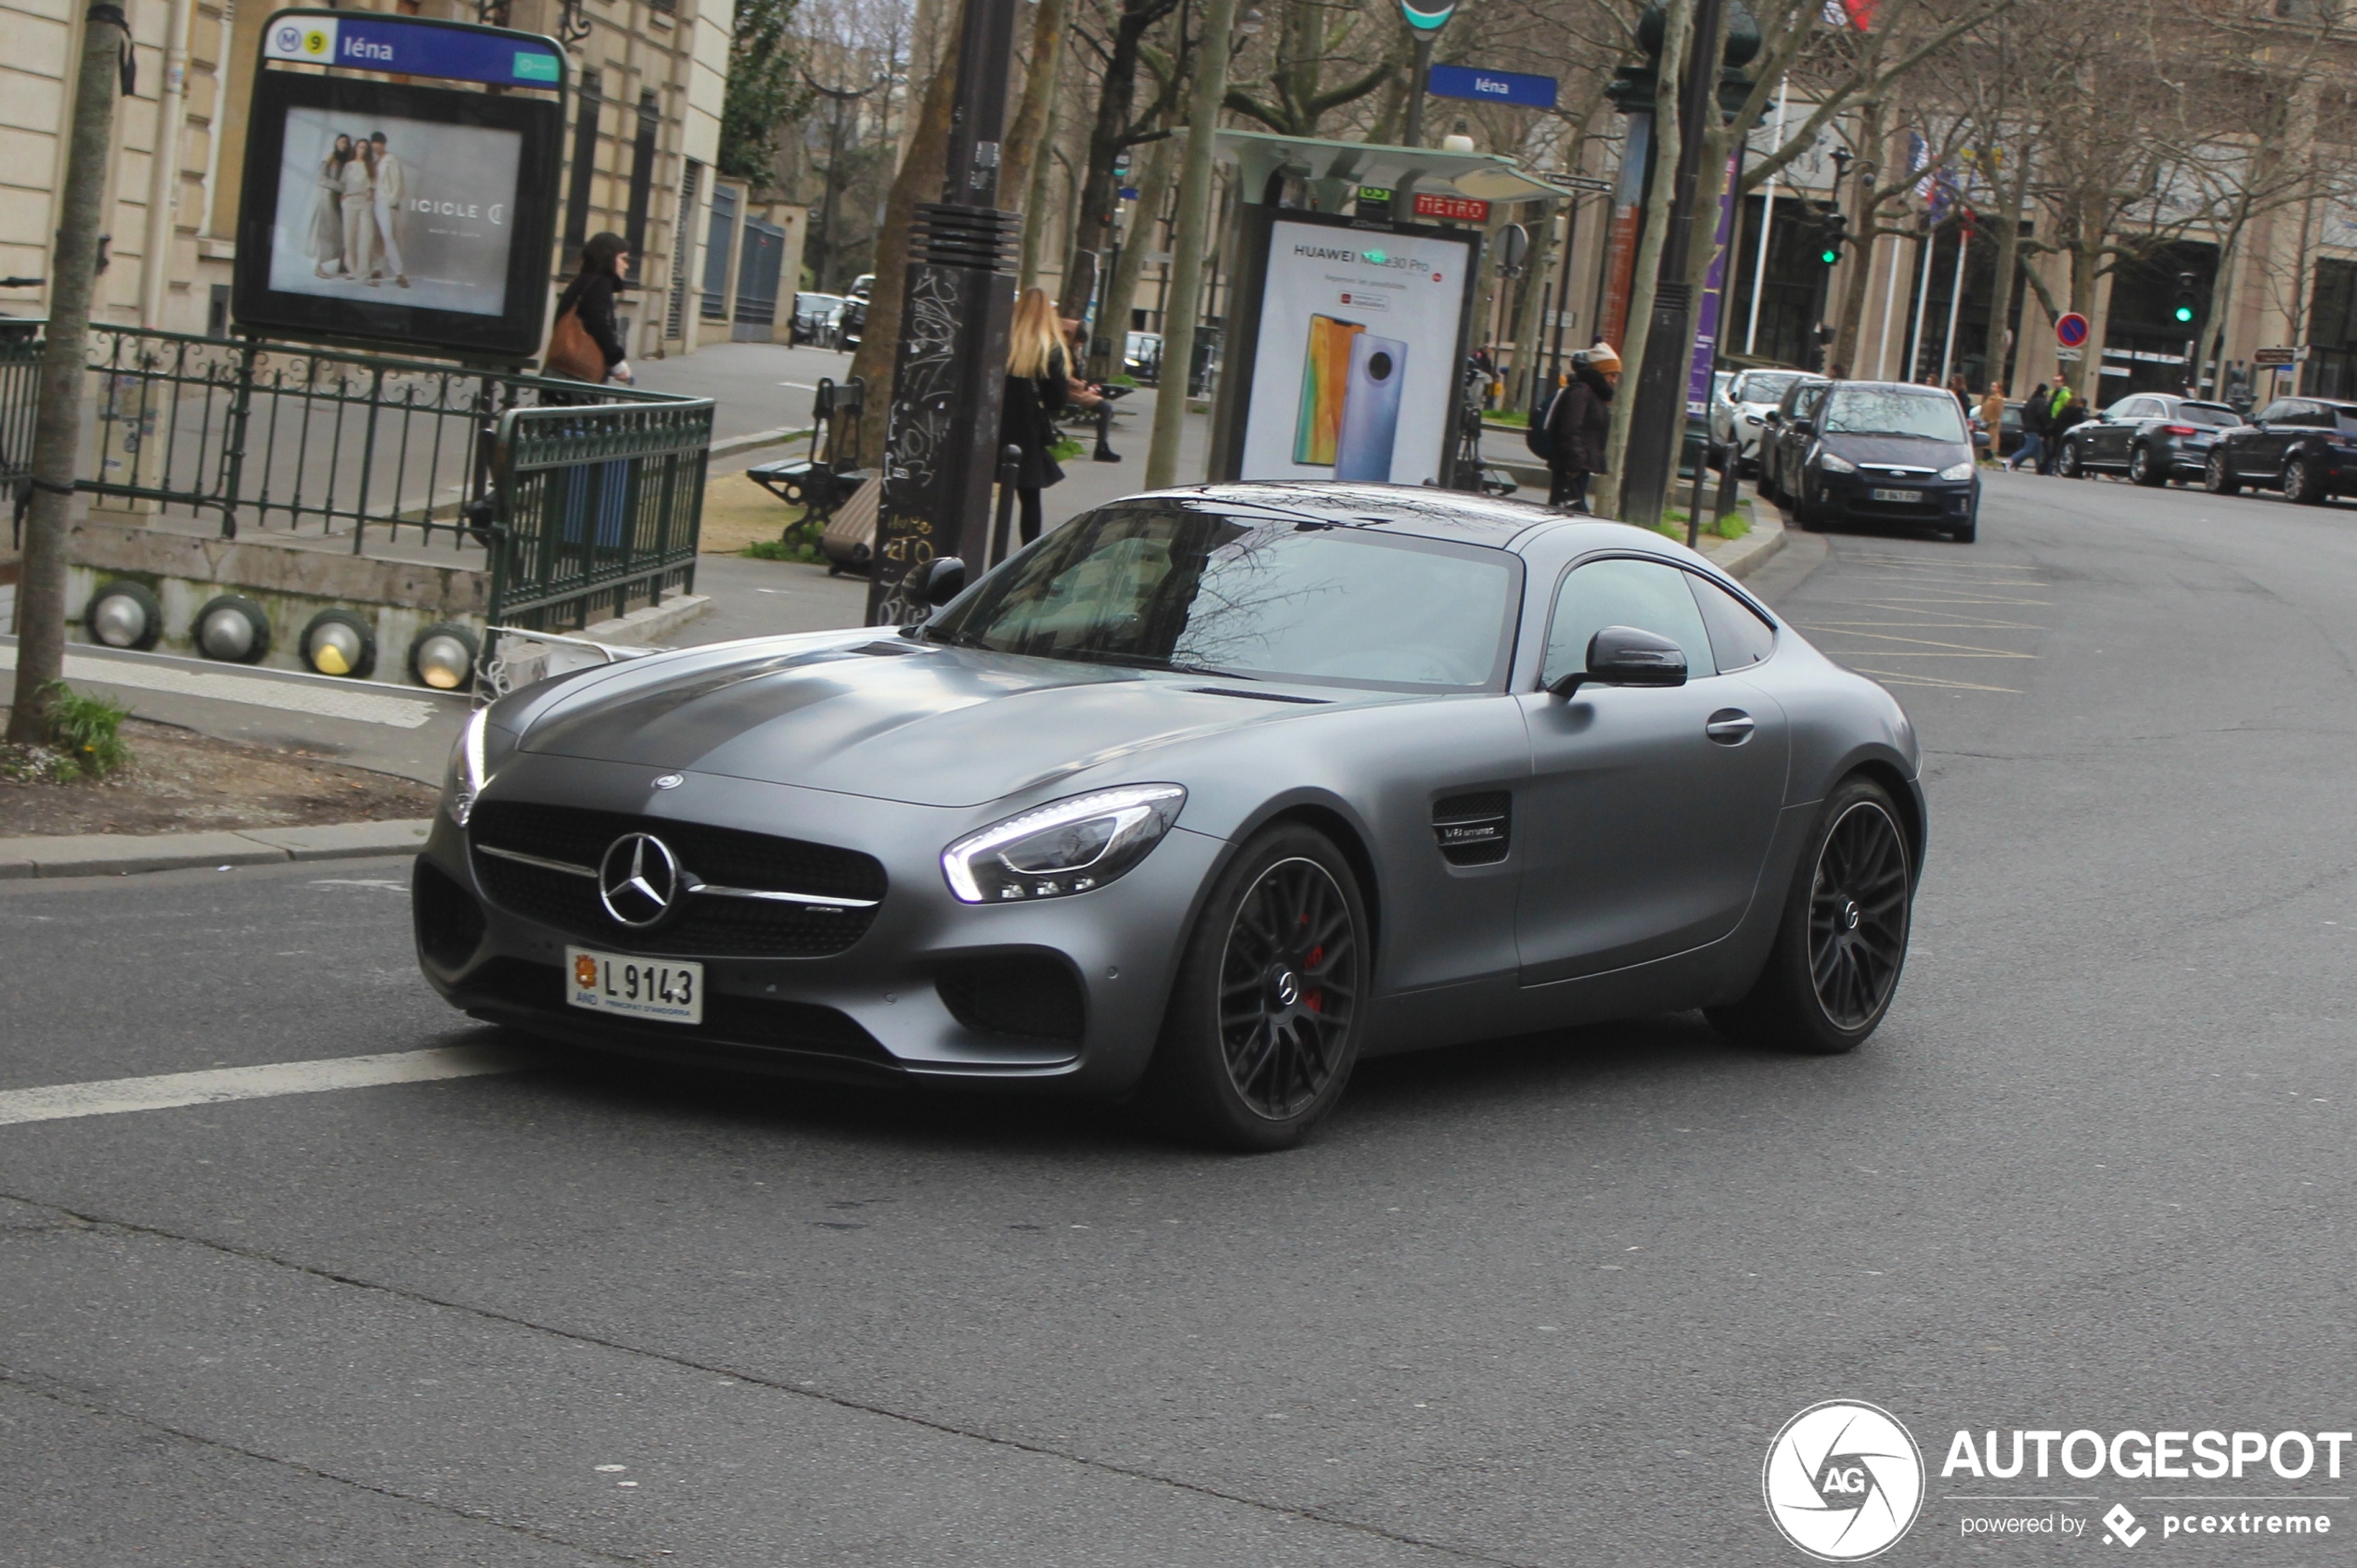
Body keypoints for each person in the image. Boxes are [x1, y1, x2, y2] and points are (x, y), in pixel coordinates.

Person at [1001, 288, 1069, 546]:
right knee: (1030, 496)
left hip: (996, 424)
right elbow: (1057, 399)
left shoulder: (1003, 340)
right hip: (1027, 428)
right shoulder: (1050, 348)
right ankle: (1027, 552)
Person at [550, 232, 635, 387]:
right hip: (577, 377)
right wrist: (616, 362)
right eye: (623, 259)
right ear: (609, 258)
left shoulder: (583, 281)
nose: (626, 265)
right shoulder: (599, 284)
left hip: (561, 370)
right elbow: (599, 324)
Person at [1543, 342, 1618, 511]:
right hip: (1572, 466)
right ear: (1601, 372)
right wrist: (1575, 460)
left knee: (1569, 509)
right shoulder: (1581, 392)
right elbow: (1570, 428)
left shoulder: (1592, 394)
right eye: (1612, 374)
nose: (1615, 380)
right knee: (1570, 510)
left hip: (1578, 464)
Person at [1058, 316, 1121, 462]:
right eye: (1078, 342)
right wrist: (1080, 385)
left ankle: (1102, 445)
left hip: (1073, 389)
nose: (1079, 345)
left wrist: (1085, 385)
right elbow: (1063, 375)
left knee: (1105, 408)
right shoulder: (1062, 351)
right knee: (1105, 408)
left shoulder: (1069, 350)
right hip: (1068, 390)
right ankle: (1101, 446)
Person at [367, 131, 408, 289]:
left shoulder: (391, 160)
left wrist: (393, 201)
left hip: (385, 202)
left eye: (378, 143)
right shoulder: (376, 162)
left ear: (383, 144)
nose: (375, 146)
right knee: (377, 236)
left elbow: (397, 182)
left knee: (388, 236)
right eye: (373, 144)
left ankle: (399, 272)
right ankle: (377, 268)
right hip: (374, 202)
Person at [310, 135, 354, 277]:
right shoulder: (329, 160)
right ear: (336, 143)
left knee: (343, 232)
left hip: (340, 202)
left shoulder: (346, 162)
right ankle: (317, 266)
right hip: (327, 201)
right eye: (341, 142)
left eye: (346, 143)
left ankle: (342, 263)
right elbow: (321, 179)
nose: (343, 145)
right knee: (323, 234)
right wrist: (340, 187)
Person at [339, 138, 376, 283]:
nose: (362, 150)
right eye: (360, 147)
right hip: (350, 201)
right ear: (356, 148)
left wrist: (371, 198)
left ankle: (364, 273)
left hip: (364, 202)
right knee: (350, 237)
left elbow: (374, 186)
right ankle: (352, 270)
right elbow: (343, 184)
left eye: (365, 148)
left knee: (366, 237)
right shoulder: (349, 166)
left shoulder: (370, 166)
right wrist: (343, 197)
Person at [2013, 380, 2049, 472]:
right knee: (2028, 449)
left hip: (2029, 427)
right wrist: (2044, 427)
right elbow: (2041, 415)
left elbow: (2023, 413)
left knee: (2036, 450)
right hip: (2036, 428)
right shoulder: (2041, 402)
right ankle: (2011, 460)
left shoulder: (2031, 401)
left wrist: (2025, 424)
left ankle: (2040, 468)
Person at [1978, 381, 2007, 468]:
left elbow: (1999, 413)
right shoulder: (1989, 398)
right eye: (1991, 386)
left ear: (1998, 389)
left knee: (1989, 445)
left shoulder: (1998, 399)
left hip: (1992, 425)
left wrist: (1992, 421)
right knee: (1985, 444)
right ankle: (1993, 462)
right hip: (1985, 423)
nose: (1992, 388)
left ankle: (1987, 462)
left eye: (1994, 386)